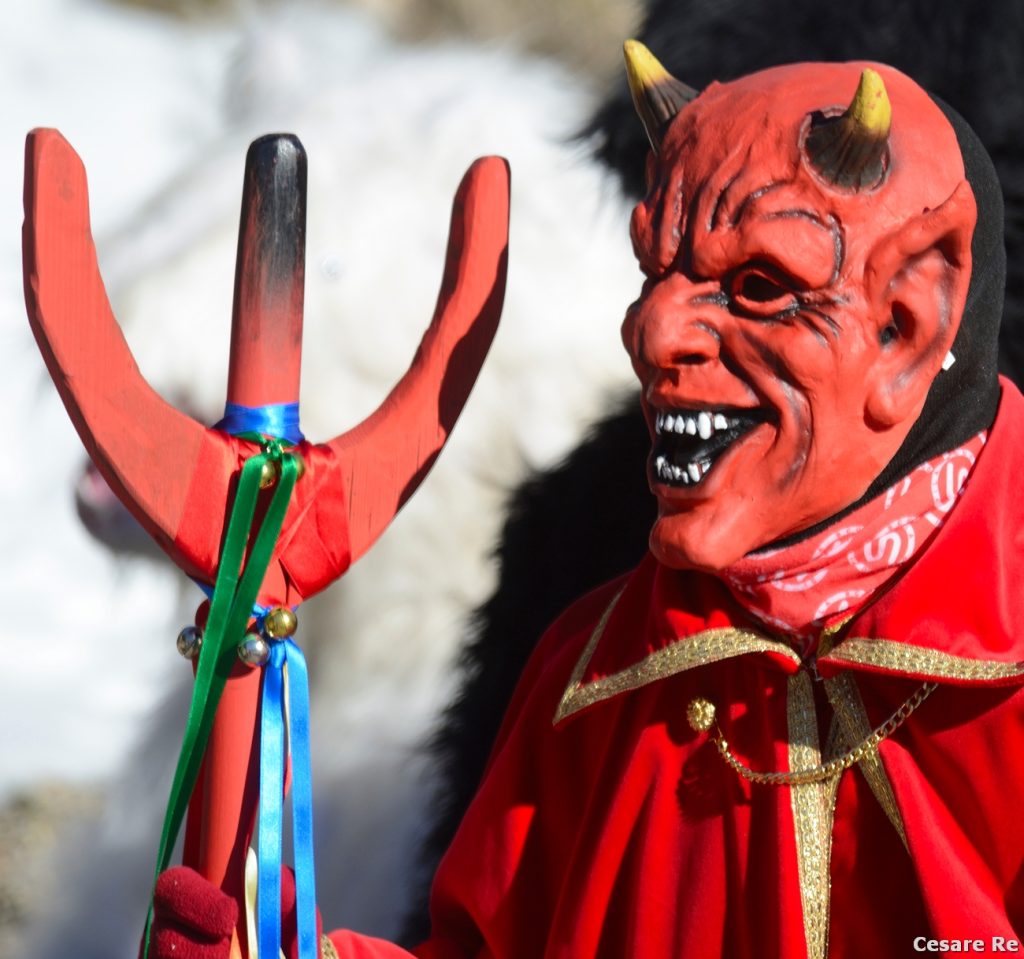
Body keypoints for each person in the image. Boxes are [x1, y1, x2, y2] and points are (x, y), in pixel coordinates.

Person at [149, 46, 1024, 958]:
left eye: (759, 284)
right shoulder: (595, 671)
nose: (652, 331)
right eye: (658, 272)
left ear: (905, 327)